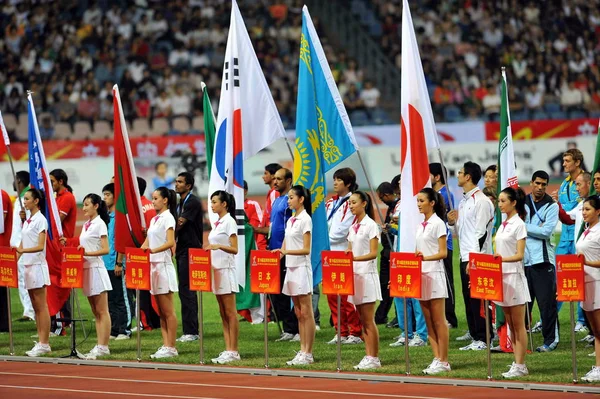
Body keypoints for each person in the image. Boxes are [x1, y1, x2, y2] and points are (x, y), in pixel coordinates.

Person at [447, 161, 494, 350]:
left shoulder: (481, 201)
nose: (457, 175)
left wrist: (474, 259)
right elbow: (464, 230)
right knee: (468, 298)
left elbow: (481, 233)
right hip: (465, 256)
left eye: (459, 172)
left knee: (479, 299)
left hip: (477, 258)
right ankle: (475, 336)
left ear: (468, 177)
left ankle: (484, 337)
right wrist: (452, 223)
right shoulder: (464, 200)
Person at [60, 194, 112, 360]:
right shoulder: (87, 225)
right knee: (95, 311)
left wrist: (86, 253)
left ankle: (104, 347)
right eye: (84, 205)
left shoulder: (100, 224)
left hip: (96, 268)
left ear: (96, 206)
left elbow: (105, 249)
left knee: (102, 310)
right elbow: (83, 244)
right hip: (86, 269)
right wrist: (69, 243)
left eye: (87, 205)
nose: (84, 208)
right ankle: (99, 344)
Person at [274, 185, 316, 365]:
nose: (288, 200)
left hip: (301, 268)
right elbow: (285, 244)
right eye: (288, 197)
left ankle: (308, 352)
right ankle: (302, 349)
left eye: (291, 197)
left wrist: (287, 252)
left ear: (301, 199)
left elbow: (306, 249)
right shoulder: (291, 219)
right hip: (290, 268)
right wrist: (280, 252)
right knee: (298, 312)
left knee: (306, 311)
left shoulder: (305, 219)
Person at [494, 187, 530, 378]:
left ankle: (521, 364)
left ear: (513, 202)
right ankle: (516, 362)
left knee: (518, 324)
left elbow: (519, 255)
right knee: (510, 323)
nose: (500, 204)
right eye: (498, 201)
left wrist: (501, 260)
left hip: (514, 277)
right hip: (502, 278)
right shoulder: (503, 224)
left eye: (503, 201)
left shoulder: (519, 225)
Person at [325, 168, 362, 345]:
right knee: (333, 296)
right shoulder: (330, 203)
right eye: (334, 179)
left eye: (339, 180)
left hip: (343, 252)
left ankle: (355, 332)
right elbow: (326, 224)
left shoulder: (351, 202)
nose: (335, 182)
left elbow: (342, 230)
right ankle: (340, 331)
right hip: (329, 254)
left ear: (348, 183)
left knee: (346, 296)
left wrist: (324, 236)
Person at [415, 188, 450, 375]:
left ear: (432, 203)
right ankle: (436, 358)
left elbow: (443, 252)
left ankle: (444, 360)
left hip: (434, 274)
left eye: (422, 201)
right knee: (428, 321)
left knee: (438, 320)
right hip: (421, 275)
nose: (419, 204)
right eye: (418, 201)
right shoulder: (421, 225)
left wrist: (425, 259)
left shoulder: (438, 223)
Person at [141, 187, 179, 359]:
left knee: (168, 310)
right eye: (152, 198)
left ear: (165, 200)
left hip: (163, 266)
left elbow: (170, 242)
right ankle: (165, 345)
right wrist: (138, 252)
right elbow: (147, 241)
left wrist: (153, 250)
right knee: (161, 311)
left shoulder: (168, 217)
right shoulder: (155, 219)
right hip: (153, 266)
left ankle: (172, 346)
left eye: (155, 198)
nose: (153, 201)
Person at [524, 170, 560, 352]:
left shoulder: (551, 206)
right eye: (537, 183)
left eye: (544, 184)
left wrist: (524, 226)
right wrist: (534, 228)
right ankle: (520, 340)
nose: (540, 187)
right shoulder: (523, 202)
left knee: (546, 304)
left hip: (543, 260)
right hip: (524, 260)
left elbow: (546, 232)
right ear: (531, 183)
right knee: (523, 304)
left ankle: (550, 340)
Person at [263, 168, 299, 341]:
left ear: (289, 180)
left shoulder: (290, 202)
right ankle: (288, 328)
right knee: (277, 294)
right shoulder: (277, 200)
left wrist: (285, 250)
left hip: (287, 252)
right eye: (274, 179)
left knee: (289, 292)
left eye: (279, 179)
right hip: (274, 251)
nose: (275, 181)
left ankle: (295, 329)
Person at [347, 191, 382, 370]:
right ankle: (368, 355)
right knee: (361, 319)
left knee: (368, 319)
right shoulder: (353, 226)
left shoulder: (371, 225)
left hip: (367, 275)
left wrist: (354, 259)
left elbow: (373, 253)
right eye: (350, 203)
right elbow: (349, 251)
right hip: (355, 276)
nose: (351, 205)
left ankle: (374, 357)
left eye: (354, 202)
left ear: (364, 204)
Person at [15, 188, 52, 356]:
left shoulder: (40, 220)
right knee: (35, 307)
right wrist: (12, 258)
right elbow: (22, 246)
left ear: (36, 201)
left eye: (28, 198)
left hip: (37, 266)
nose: (25, 201)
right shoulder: (29, 220)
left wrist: (23, 251)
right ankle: (41, 340)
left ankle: (45, 343)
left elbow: (39, 246)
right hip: (28, 266)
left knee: (41, 306)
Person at [206, 191, 241, 364]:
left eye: (214, 202)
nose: (211, 205)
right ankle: (227, 348)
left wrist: (218, 246)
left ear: (224, 204)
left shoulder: (229, 222)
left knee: (230, 312)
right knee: (222, 312)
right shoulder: (217, 223)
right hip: (216, 270)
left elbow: (235, 249)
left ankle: (234, 350)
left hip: (226, 269)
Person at [558, 172, 591, 332]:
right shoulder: (581, 204)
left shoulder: (593, 204)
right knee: (586, 293)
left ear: (589, 184)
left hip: (592, 255)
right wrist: (555, 206)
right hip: (583, 254)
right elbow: (567, 218)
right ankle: (590, 330)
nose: (576, 188)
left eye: (579, 184)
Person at [174, 172, 204, 342]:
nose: (176, 184)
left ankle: (191, 332)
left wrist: (165, 233)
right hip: (183, 250)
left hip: (191, 251)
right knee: (184, 290)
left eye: (180, 182)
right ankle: (189, 330)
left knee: (187, 290)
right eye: (176, 181)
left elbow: (179, 224)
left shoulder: (192, 202)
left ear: (189, 185)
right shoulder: (181, 202)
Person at [430, 163, 457, 329]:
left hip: (443, 242)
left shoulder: (444, 194)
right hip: (434, 243)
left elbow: (444, 219)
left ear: (437, 177)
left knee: (446, 280)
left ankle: (450, 317)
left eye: (429, 174)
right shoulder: (437, 194)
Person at [50, 168, 77, 335]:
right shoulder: (57, 198)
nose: (51, 184)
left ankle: (61, 325)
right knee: (57, 285)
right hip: (56, 246)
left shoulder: (67, 198)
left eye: (52, 181)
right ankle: (61, 322)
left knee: (59, 286)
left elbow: (56, 222)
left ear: (60, 181)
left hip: (62, 247)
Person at [103, 183, 131, 340]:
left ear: (115, 196)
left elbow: (122, 241)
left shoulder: (120, 218)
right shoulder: (106, 217)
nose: (105, 198)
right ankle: (114, 329)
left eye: (107, 194)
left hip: (116, 263)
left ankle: (124, 329)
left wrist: (119, 262)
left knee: (121, 297)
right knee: (110, 298)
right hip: (106, 262)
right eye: (104, 195)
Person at [578, 196, 600, 382]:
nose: (584, 213)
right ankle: (598, 368)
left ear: (598, 211)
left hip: (597, 282)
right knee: (595, 329)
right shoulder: (586, 230)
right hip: (585, 282)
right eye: (583, 209)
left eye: (588, 209)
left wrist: (586, 262)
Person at [10, 171, 35, 322]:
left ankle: (30, 311)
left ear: (19, 181)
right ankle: (28, 309)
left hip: (23, 245)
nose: (13, 182)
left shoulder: (25, 200)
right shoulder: (20, 199)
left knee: (25, 278)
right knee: (21, 278)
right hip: (18, 244)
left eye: (14, 180)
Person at [552, 149, 584, 258]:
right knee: (559, 269)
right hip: (565, 236)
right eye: (563, 161)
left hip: (579, 234)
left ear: (577, 162)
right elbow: (561, 207)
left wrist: (559, 205)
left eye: (567, 161)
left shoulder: (586, 181)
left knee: (579, 271)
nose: (563, 164)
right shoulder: (564, 183)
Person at [375, 181, 398, 325]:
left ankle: (383, 316)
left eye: (382, 196)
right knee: (386, 285)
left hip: (393, 250)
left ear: (388, 194)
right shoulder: (391, 208)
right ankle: (382, 315)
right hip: (386, 250)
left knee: (391, 285)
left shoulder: (397, 207)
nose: (380, 200)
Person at [0, 188, 13, 332]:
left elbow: (1, 222)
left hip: (1, 247)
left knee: (2, 287)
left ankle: (3, 324)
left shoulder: (1, 195)